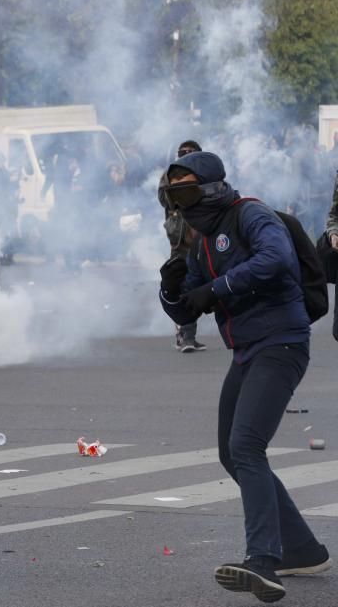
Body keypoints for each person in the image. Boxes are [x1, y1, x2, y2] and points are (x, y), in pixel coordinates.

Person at [159, 151, 331, 603]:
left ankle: (263, 561)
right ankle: (303, 549)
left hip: (282, 342)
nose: (183, 202)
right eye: (175, 195)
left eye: (189, 190)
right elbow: (187, 305)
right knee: (230, 453)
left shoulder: (251, 214)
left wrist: (213, 289)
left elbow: (275, 260)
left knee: (246, 446)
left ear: (215, 187)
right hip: (247, 352)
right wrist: (170, 287)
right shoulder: (202, 242)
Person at [159, 140, 207, 353]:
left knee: (200, 284)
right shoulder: (170, 175)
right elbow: (165, 199)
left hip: (203, 236)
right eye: (183, 152)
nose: (186, 155)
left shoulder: (205, 175)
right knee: (182, 284)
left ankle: (189, 335)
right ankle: (185, 335)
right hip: (181, 240)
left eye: (190, 152)